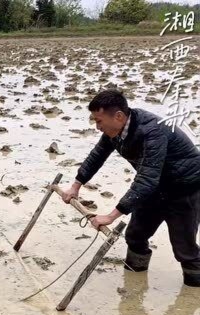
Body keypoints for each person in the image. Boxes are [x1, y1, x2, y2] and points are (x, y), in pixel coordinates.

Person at [61, 89, 200, 287]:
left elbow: (146, 178)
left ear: (118, 116)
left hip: (184, 188)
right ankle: (134, 284)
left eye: (99, 121)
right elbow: (97, 156)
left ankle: (193, 295)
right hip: (155, 188)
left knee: (185, 249)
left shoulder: (152, 131)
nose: (97, 126)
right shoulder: (114, 131)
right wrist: (75, 186)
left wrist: (111, 216)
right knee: (135, 235)